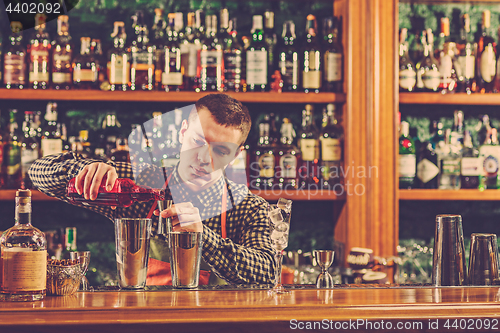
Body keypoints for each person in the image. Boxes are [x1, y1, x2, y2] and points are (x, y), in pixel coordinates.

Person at [29, 93, 275, 285]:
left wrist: (204, 239)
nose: (203, 158)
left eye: (220, 151)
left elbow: (267, 272)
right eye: (198, 142)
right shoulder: (142, 184)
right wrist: (86, 170)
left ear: (235, 156)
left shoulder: (248, 208)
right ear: (182, 133)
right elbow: (38, 172)